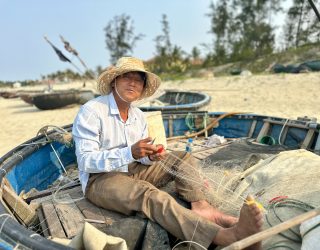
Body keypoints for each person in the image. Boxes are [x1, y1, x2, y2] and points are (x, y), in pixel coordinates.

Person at [72, 57, 263, 249]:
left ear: (142, 87)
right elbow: (86, 161)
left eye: (138, 80)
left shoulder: (138, 116)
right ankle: (222, 236)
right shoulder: (92, 111)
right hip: (100, 179)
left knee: (183, 157)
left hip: (132, 168)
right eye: (126, 77)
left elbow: (141, 156)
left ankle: (202, 209)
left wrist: (149, 156)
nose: (132, 83)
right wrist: (130, 152)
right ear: (114, 81)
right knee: (150, 196)